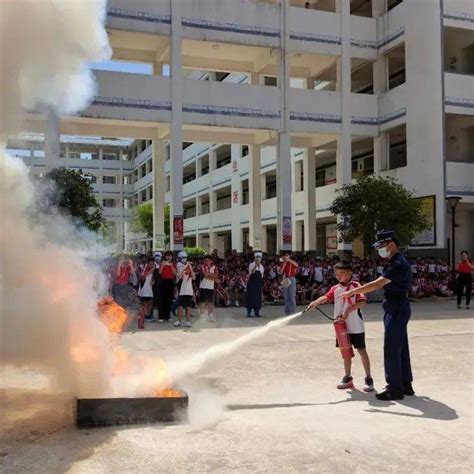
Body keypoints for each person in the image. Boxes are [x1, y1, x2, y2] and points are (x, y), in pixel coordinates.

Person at [339, 230, 414, 401]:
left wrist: (353, 291)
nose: (380, 249)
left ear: (391, 244)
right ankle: (405, 384)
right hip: (396, 306)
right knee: (401, 347)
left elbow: (376, 284)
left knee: (392, 348)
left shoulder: (398, 264)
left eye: (381, 246)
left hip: (397, 307)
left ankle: (395, 389)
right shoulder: (394, 261)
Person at [308, 261, 374, 392]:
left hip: (356, 326)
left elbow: (362, 302)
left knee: (361, 351)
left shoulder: (356, 286)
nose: (338, 276)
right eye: (337, 274)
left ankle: (368, 378)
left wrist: (349, 310)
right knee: (345, 352)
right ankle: (348, 377)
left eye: (342, 274)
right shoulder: (336, 288)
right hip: (341, 327)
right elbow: (326, 297)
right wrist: (315, 302)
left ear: (350, 273)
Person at [174, 259, 196, 328]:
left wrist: (191, 268)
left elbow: (194, 278)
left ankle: (188, 321)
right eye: (187, 267)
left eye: (188, 267)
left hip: (189, 293)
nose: (187, 268)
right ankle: (179, 321)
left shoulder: (192, 274)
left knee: (188, 307)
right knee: (180, 307)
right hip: (182, 293)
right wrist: (185, 267)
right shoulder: (183, 273)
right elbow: (178, 275)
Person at [158, 251, 176, 322]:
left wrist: (171, 266)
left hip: (170, 282)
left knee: (169, 300)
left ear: (172, 257)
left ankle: (167, 316)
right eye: (167, 256)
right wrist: (162, 265)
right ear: (165, 257)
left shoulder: (173, 264)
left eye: (170, 256)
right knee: (162, 299)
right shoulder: (162, 263)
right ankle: (161, 316)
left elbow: (175, 273)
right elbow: (159, 272)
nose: (168, 257)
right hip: (163, 282)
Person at [199, 255, 219, 322]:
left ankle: (210, 314)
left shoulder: (215, 267)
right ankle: (202, 314)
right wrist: (214, 279)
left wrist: (210, 274)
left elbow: (216, 275)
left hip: (211, 286)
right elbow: (205, 275)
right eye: (205, 260)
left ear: (211, 261)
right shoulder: (203, 266)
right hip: (204, 286)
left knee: (210, 301)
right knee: (203, 301)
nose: (206, 262)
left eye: (208, 260)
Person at [279, 251, 299, 315]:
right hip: (285, 279)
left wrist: (289, 260)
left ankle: (293, 311)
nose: (286, 257)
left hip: (291, 278)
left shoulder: (292, 262)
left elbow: (296, 265)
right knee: (286, 296)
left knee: (292, 296)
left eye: (287, 255)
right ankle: (287, 311)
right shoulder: (282, 263)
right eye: (285, 256)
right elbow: (280, 272)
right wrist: (284, 264)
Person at [246, 252, 264, 317]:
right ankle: (249, 312)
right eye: (257, 257)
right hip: (251, 283)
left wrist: (258, 265)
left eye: (259, 258)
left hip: (258, 284)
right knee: (250, 297)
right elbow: (252, 272)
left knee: (257, 298)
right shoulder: (251, 264)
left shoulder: (262, 266)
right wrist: (256, 265)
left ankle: (257, 312)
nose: (258, 259)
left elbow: (261, 275)